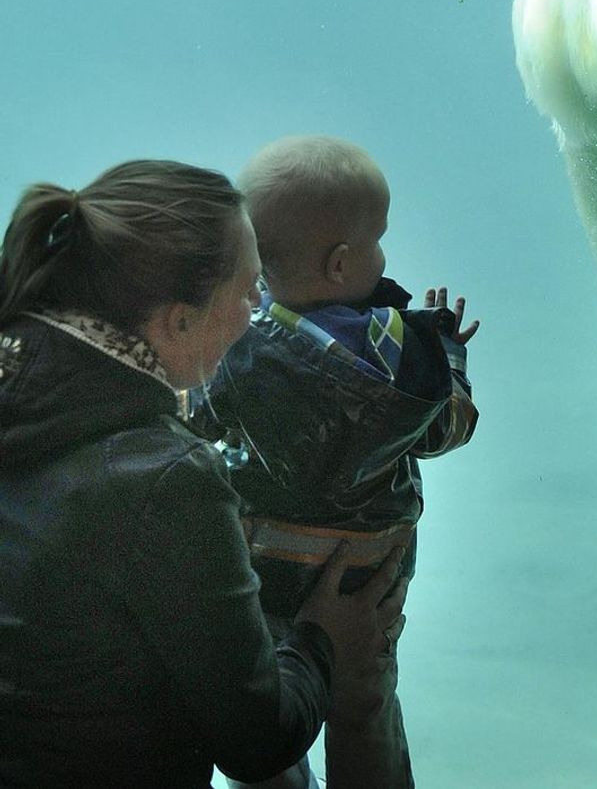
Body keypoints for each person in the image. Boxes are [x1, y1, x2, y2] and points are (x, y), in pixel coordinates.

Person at [0, 160, 407, 789]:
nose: (258, 311)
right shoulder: (165, 479)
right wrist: (321, 638)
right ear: (178, 319)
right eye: (249, 290)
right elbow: (257, 742)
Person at [186, 136, 479, 789]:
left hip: (262, 564)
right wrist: (452, 362)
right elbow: (444, 431)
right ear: (342, 264)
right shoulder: (400, 347)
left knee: (268, 704)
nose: (384, 253)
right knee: (365, 702)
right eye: (377, 238)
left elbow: (195, 417)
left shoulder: (235, 339)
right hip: (368, 572)